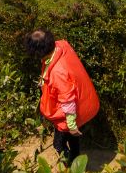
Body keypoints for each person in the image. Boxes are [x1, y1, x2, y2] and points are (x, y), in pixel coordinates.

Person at [25, 29, 100, 164]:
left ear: (38, 52)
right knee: (73, 138)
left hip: (70, 113)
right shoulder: (60, 46)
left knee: (58, 145)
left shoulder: (58, 73)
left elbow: (68, 101)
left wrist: (71, 125)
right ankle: (77, 161)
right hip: (83, 103)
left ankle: (70, 170)